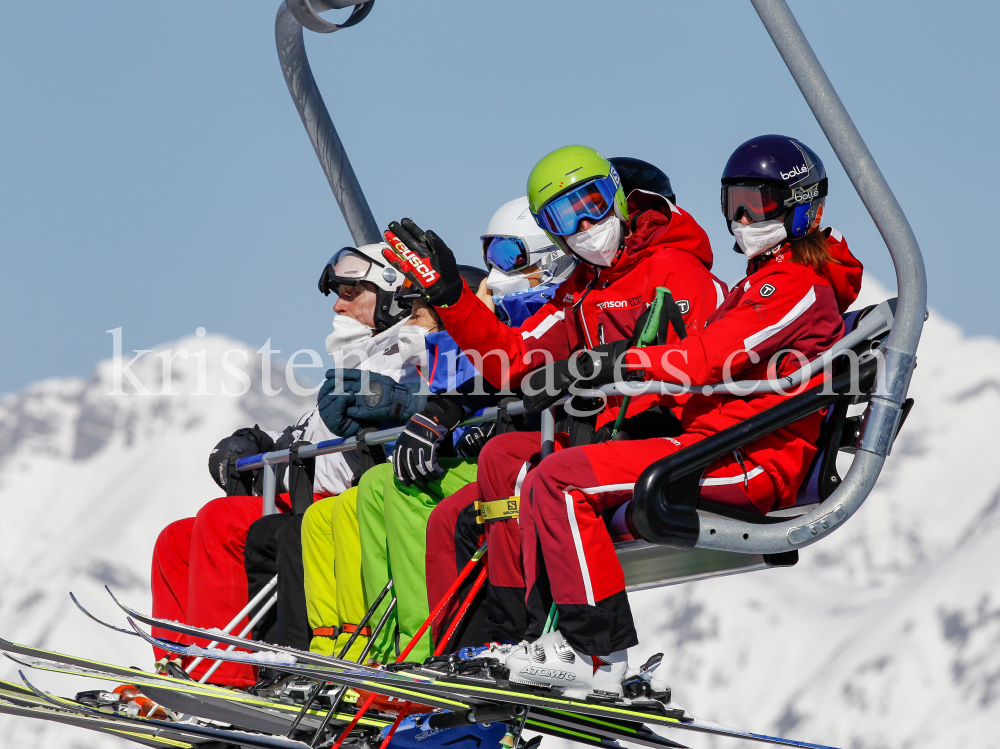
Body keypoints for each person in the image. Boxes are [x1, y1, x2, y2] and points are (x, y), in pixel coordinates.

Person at [494, 134, 864, 696]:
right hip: (711, 445)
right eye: (733, 203)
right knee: (546, 471)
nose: (742, 219)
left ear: (801, 204)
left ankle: (597, 655)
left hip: (748, 460)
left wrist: (621, 361)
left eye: (758, 204)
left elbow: (713, 357)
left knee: (561, 482)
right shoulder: (761, 283)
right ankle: (544, 641)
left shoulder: (798, 286)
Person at [382, 145, 725, 649]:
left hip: (668, 443)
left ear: (619, 197)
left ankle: (579, 646)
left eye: (593, 201)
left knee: (535, 474)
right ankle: (511, 636)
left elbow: (703, 360)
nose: (587, 223)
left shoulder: (675, 269)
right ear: (552, 229)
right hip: (603, 439)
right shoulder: (580, 293)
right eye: (567, 215)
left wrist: (612, 364)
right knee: (501, 455)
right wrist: (452, 298)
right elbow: (514, 362)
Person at [149, 243, 410, 687]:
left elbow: (394, 423)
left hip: (354, 496)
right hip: (315, 488)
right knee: (177, 539)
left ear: (392, 293)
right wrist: (258, 448)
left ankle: (225, 674)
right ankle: (177, 665)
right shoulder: (359, 358)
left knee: (224, 519)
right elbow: (312, 440)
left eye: (351, 290)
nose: (338, 304)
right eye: (336, 292)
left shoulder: (408, 350)